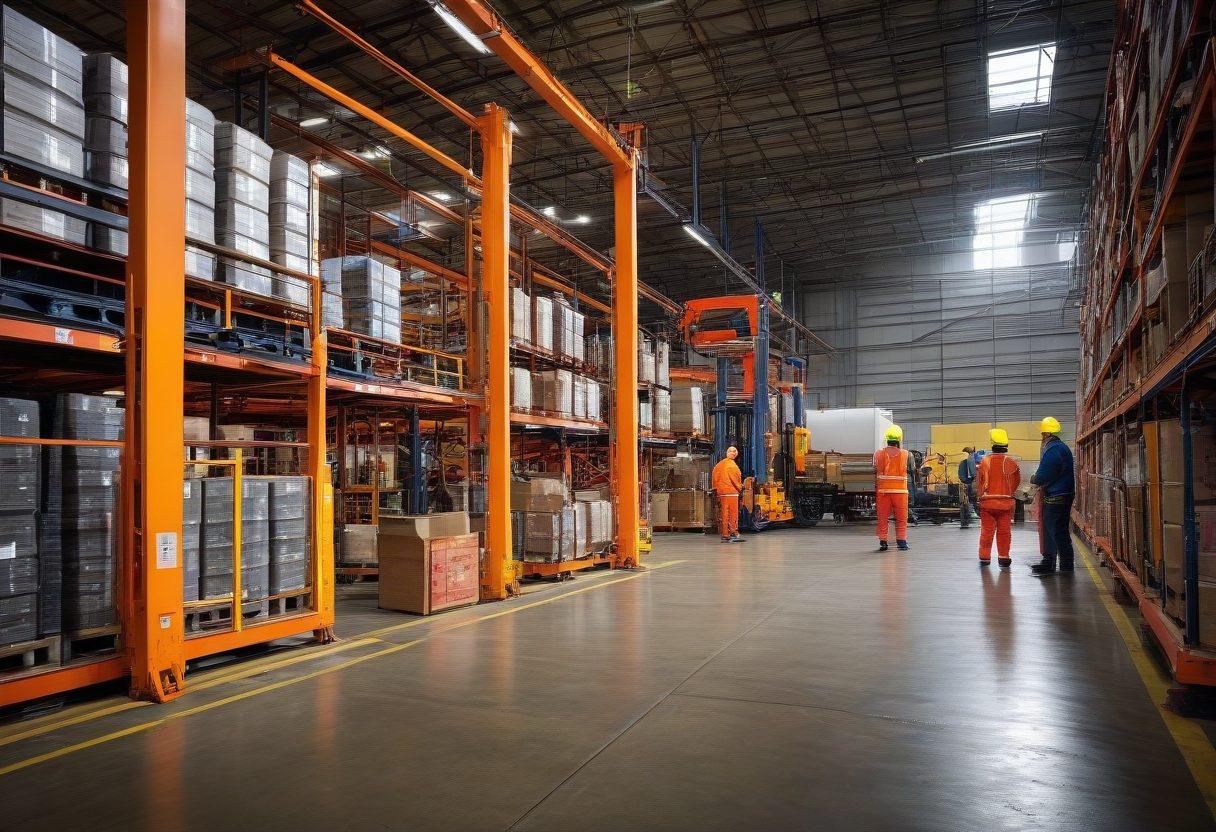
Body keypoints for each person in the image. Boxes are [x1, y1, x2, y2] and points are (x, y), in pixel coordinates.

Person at [1030, 416, 1075, 575]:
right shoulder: (1061, 447)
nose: (1041, 438)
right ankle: (1052, 562)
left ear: (1047, 434)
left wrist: (1034, 478)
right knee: (1054, 530)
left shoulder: (1053, 450)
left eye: (1043, 434)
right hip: (1061, 494)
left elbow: (1044, 475)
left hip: (1057, 496)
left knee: (1056, 530)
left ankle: (1064, 565)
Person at [976, 429, 1021, 568]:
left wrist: (980, 497)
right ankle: (1003, 558)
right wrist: (1008, 493)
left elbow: (980, 482)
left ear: (992, 445)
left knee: (986, 531)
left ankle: (985, 557)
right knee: (1004, 532)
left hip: (988, 504)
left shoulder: (985, 462)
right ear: (1006, 446)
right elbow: (1016, 482)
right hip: (1005, 504)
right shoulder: (1011, 463)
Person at [874, 425, 916, 552]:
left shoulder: (878, 454)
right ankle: (902, 542)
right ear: (899, 440)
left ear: (887, 440)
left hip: (883, 492)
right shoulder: (907, 454)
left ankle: (883, 541)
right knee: (901, 517)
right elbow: (912, 470)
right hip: (900, 492)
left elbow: (875, 470)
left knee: (883, 517)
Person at [711, 446, 744, 543]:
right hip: (731, 492)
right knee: (732, 514)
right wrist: (740, 487)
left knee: (724, 514)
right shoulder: (732, 465)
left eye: (734, 451)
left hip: (722, 493)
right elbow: (734, 479)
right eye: (733, 451)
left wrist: (716, 490)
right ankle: (734, 533)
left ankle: (725, 534)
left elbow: (714, 478)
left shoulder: (719, 465)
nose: (734, 453)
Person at [957, 446, 977, 528]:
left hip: (966, 481)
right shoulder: (970, 460)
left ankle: (970, 513)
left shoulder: (963, 462)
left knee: (968, 499)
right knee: (970, 498)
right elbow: (973, 473)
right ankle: (971, 512)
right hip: (968, 482)